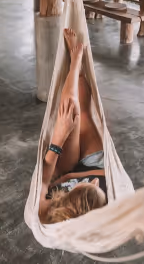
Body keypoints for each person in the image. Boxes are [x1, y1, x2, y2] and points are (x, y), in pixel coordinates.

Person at [38, 28, 107, 224]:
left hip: (61, 167)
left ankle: (75, 62)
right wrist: (78, 175)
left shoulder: (45, 212)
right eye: (97, 186)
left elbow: (43, 179)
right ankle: (76, 61)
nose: (95, 183)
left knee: (69, 113)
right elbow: (107, 174)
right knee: (83, 112)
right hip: (96, 163)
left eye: (90, 186)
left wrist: (58, 138)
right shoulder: (103, 202)